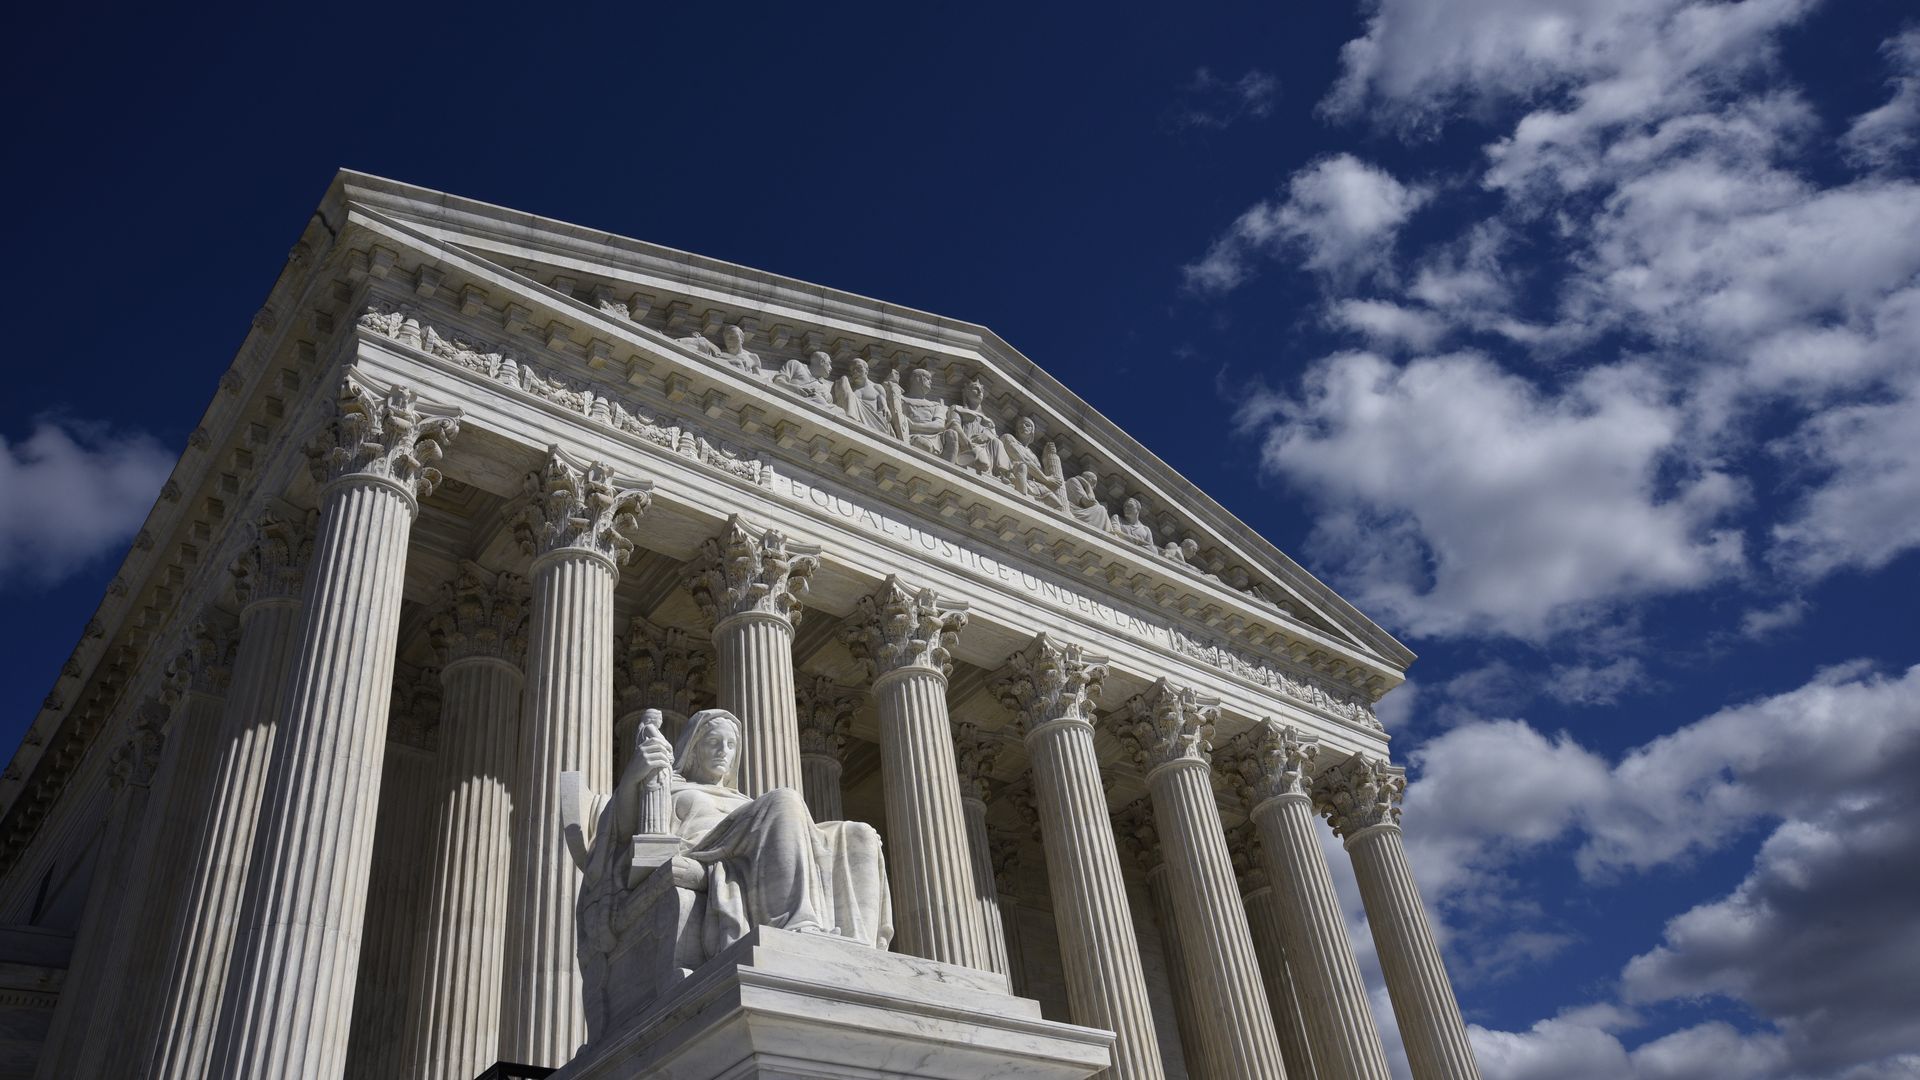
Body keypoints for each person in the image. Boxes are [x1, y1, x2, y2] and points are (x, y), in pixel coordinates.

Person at [628, 709, 892, 957]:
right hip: (707, 849)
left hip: (750, 850)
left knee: (859, 833)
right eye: (713, 742)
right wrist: (634, 776)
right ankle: (795, 922)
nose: (724, 752)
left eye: (731, 745)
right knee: (784, 799)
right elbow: (621, 829)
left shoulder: (744, 800)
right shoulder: (670, 786)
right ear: (694, 747)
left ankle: (860, 949)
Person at [833, 357, 903, 437]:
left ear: (867, 370)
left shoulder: (876, 387)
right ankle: (852, 419)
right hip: (856, 420)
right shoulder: (850, 389)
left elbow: (884, 407)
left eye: (858, 368)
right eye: (852, 370)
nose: (855, 371)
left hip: (875, 423)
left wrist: (886, 408)